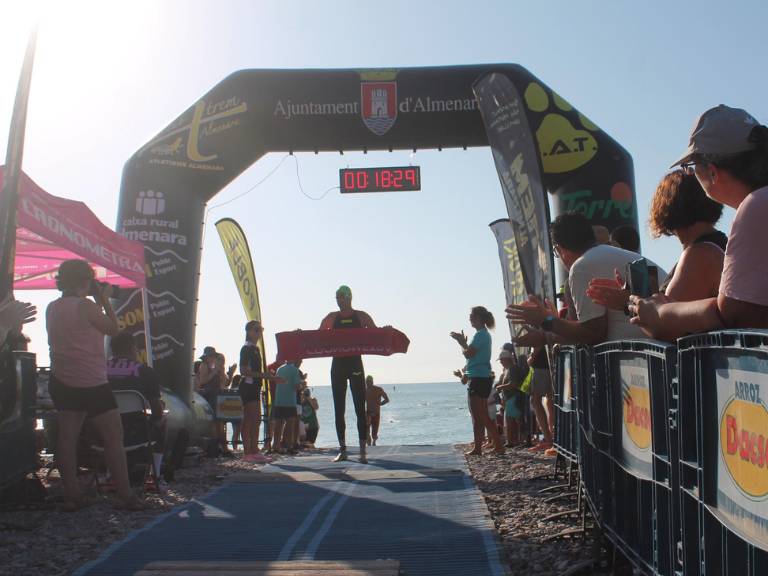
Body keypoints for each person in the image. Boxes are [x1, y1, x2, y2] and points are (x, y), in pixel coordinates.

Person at [629, 106, 768, 338]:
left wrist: (660, 313)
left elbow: (734, 314)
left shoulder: (757, 205)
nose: (691, 174)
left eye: (691, 166)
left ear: (712, 172)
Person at [46, 259, 144, 511]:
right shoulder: (86, 306)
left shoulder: (52, 308)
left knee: (67, 437)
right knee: (113, 436)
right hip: (91, 380)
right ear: (85, 281)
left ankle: (72, 495)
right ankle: (125, 494)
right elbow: (114, 330)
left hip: (62, 379)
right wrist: (103, 301)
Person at [507, 212, 663, 347]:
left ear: (560, 249)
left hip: (645, 362)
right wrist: (552, 322)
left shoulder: (581, 266)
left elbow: (593, 333)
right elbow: (591, 328)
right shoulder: (607, 254)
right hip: (664, 347)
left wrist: (545, 321)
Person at [588, 170, 727, 310]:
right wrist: (638, 297)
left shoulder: (700, 255)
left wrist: (629, 302)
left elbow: (668, 321)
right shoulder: (719, 245)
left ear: (668, 206)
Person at [319, 285, 378, 464]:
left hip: (355, 364)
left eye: (342, 297)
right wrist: (300, 336)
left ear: (350, 297)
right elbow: (316, 337)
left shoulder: (361, 316)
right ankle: (342, 449)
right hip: (338, 365)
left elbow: (376, 333)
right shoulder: (331, 318)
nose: (339, 300)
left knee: (360, 408)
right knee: (339, 409)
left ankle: (362, 452)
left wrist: (385, 331)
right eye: (336, 297)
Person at [107, 331, 170, 485]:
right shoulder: (146, 372)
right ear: (131, 348)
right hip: (137, 434)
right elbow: (156, 411)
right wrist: (158, 415)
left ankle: (110, 474)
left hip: (104, 435)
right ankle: (154, 475)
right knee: (162, 420)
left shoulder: (98, 371)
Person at [450, 306, 504, 456]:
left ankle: (489, 447)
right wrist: (464, 344)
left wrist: (461, 342)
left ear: (480, 318)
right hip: (482, 376)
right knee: (482, 415)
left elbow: (469, 354)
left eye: (472, 316)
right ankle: (490, 446)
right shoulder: (482, 335)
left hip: (479, 377)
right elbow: (471, 354)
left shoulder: (481, 335)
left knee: (479, 415)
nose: (470, 319)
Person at [239, 320, 282, 461]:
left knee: (256, 419)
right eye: (256, 330)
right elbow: (244, 371)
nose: (259, 333)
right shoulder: (246, 348)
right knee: (250, 419)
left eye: (261, 330)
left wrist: (272, 377)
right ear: (249, 331)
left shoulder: (256, 349)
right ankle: (248, 452)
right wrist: (264, 375)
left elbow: (257, 371)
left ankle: (254, 450)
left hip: (255, 386)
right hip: (247, 386)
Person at [495, 347, 525, 448]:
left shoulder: (512, 368)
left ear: (507, 359)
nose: (501, 362)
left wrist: (500, 387)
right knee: (514, 419)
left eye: (502, 360)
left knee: (513, 419)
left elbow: (514, 384)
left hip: (514, 396)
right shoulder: (507, 369)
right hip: (509, 397)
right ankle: (514, 440)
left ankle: (514, 441)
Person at [272, 359, 303, 454]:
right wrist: (301, 386)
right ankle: (289, 446)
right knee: (290, 424)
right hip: (290, 401)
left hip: (279, 400)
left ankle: (275, 446)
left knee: (278, 424)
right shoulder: (295, 370)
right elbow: (296, 386)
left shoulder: (279, 369)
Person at [365, 375, 390, 446]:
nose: (368, 383)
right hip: (368, 413)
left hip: (376, 413)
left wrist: (380, 404)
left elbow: (387, 399)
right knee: (366, 431)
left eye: (369, 381)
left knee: (374, 433)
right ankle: (369, 445)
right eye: (367, 382)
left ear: (372, 382)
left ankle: (373, 443)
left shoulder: (379, 389)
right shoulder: (365, 391)